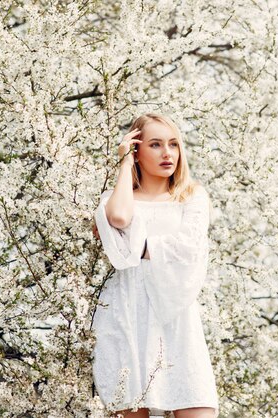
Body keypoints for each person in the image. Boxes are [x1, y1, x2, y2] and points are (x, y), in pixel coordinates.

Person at [92, 113, 219, 418]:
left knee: (198, 405)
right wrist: (123, 163)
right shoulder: (115, 198)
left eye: (174, 144)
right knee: (130, 407)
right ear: (137, 150)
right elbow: (121, 218)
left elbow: (188, 247)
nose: (167, 153)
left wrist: (132, 244)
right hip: (124, 313)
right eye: (155, 144)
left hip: (174, 312)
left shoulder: (191, 196)